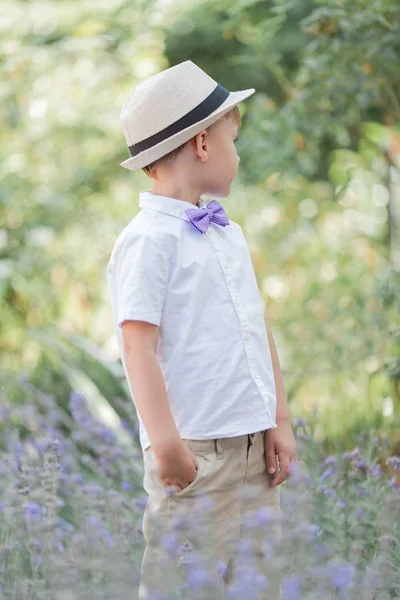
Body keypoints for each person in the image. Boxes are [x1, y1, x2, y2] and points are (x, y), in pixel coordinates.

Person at [106, 60, 297, 599]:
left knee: (258, 584)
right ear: (204, 145)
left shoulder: (226, 234)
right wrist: (166, 445)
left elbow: (256, 327)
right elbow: (136, 345)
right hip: (196, 456)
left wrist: (278, 419)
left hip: (254, 452)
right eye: (234, 140)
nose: (239, 155)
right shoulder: (148, 241)